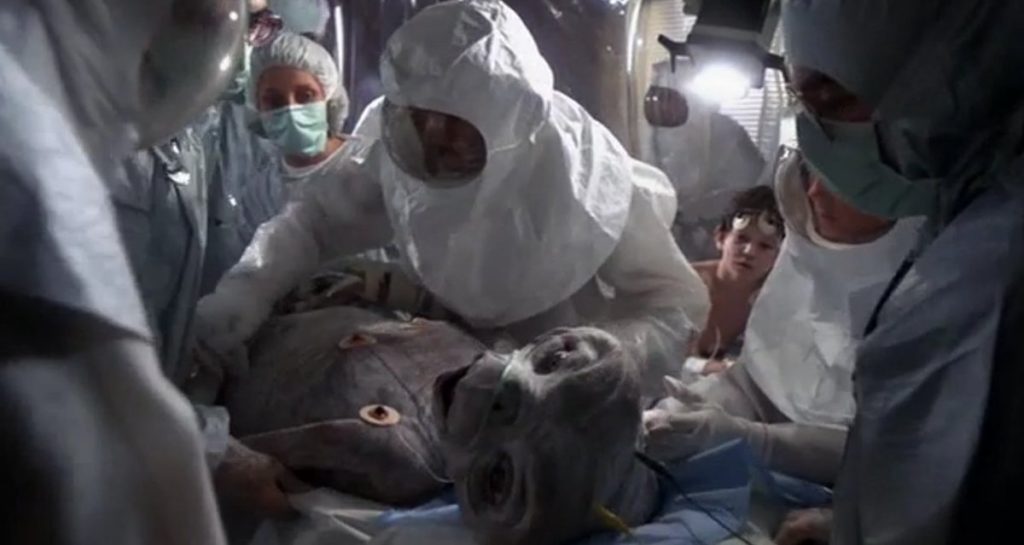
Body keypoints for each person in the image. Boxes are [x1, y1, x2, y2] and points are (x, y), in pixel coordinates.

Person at [192, 0, 710, 397]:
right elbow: (314, 221)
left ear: (508, 120)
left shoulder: (591, 181)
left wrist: (607, 355)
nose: (433, 139)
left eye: (455, 124)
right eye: (420, 119)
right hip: (448, 377)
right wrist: (245, 296)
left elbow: (676, 305)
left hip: (570, 402)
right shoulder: (399, 149)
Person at [777, 2, 1024, 543]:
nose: (818, 135)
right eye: (804, 100)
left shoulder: (981, 283)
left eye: (834, 98)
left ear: (962, 64)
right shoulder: (962, 211)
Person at [0, 0, 245, 543]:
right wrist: (215, 449)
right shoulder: (28, 153)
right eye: (197, 12)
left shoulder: (81, 126)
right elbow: (113, 439)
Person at [645, 147, 921, 488]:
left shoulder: (924, 295)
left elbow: (894, 454)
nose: (815, 191)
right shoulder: (803, 230)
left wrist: (757, 439)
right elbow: (757, 376)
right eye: (814, 174)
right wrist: (702, 404)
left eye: (843, 178)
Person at [644, 60, 768, 262]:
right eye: (661, 96)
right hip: (654, 237)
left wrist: (700, 209)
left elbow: (751, 191)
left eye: (673, 97)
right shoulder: (648, 132)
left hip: (714, 244)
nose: (666, 105)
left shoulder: (725, 132)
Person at [690, 186, 784, 371]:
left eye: (765, 246)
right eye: (741, 239)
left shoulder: (772, 306)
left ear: (779, 257)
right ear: (721, 238)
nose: (749, 252)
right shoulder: (686, 284)